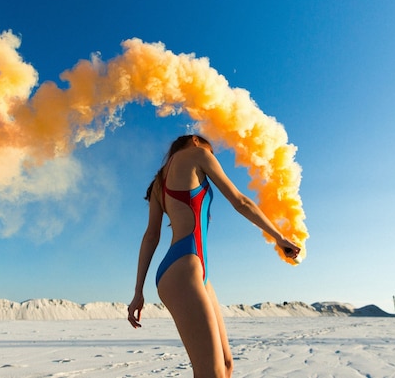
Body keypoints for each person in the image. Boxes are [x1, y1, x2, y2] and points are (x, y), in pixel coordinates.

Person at [127, 134, 301, 378]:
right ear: (196, 142)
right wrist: (278, 236)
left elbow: (150, 237)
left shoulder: (159, 182)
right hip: (183, 269)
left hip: (189, 271)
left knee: (226, 366)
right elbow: (240, 201)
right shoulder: (198, 154)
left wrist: (138, 291)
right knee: (212, 374)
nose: (212, 156)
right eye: (211, 150)